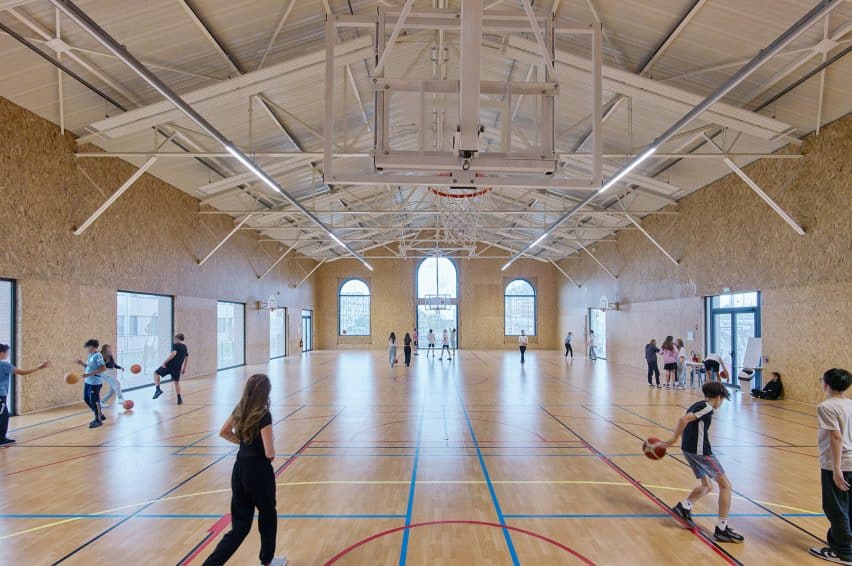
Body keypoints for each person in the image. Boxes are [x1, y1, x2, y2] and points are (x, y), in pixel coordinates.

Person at [203, 374, 286, 566]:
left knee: (239, 527)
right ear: (265, 392)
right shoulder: (263, 415)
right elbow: (269, 453)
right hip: (259, 473)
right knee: (267, 516)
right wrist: (266, 444)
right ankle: (267, 560)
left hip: (239, 469)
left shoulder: (240, 409)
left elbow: (224, 432)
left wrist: (244, 443)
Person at [664, 381, 744, 544]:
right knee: (725, 486)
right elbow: (683, 419)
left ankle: (684, 507)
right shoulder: (707, 407)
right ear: (719, 397)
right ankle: (722, 528)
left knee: (707, 485)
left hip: (688, 450)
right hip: (701, 453)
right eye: (723, 400)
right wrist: (673, 439)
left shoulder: (698, 404)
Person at [810, 368, 852, 565]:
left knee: (835, 508)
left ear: (826, 384)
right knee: (848, 507)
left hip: (839, 464)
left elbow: (835, 436)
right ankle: (841, 544)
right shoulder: (850, 404)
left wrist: (836, 468)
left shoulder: (826, 407)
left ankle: (843, 552)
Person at [0, 344, 50, 446]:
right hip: (0, 396)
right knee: (3, 416)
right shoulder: (4, 365)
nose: (7, 354)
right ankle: (1, 440)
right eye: (6, 353)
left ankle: (2, 438)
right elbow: (22, 372)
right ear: (1, 353)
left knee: (4, 416)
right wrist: (38, 367)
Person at [75, 339, 107, 428]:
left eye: (88, 347)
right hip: (88, 381)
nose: (87, 349)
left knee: (94, 400)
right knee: (86, 398)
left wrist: (88, 374)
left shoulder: (98, 356)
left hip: (95, 383)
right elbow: (89, 367)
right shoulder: (90, 355)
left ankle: (98, 419)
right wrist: (81, 363)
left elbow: (103, 368)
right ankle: (99, 415)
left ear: (92, 347)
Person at [153, 333, 189, 405]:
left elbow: (174, 353)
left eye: (175, 339)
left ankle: (158, 389)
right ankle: (179, 399)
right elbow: (186, 358)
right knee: (176, 382)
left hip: (170, 365)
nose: (174, 340)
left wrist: (165, 362)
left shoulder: (176, 345)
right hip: (178, 367)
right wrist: (184, 368)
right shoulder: (185, 347)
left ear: (178, 339)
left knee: (156, 373)